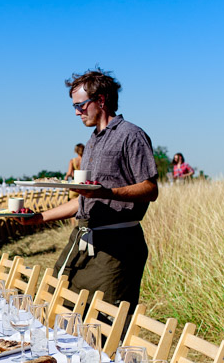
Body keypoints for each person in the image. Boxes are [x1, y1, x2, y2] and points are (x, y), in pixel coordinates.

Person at [29, 68, 158, 312]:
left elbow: (150, 189)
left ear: (100, 100)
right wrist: (40, 218)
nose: (77, 112)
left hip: (117, 246)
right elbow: (84, 200)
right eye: (74, 107)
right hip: (83, 239)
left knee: (102, 321)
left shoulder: (132, 135)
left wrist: (106, 193)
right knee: (60, 305)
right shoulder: (92, 141)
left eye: (81, 105)